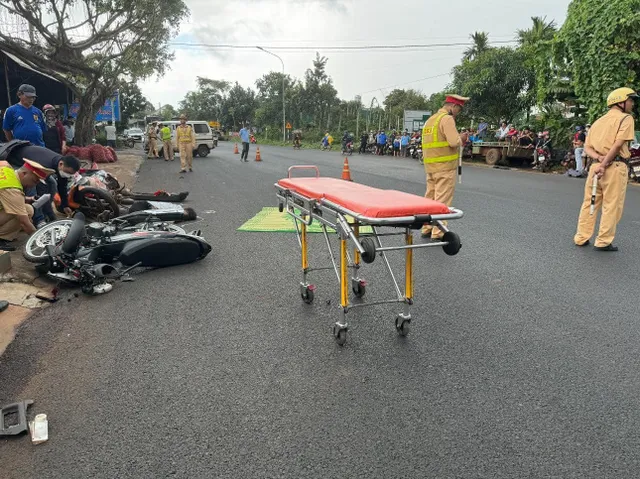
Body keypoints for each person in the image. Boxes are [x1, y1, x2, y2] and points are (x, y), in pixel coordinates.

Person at [573, 87, 638, 252]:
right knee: (612, 204)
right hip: (614, 166)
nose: (632, 103)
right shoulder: (626, 119)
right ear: (621, 101)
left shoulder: (597, 122)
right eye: (630, 100)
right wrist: (605, 164)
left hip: (595, 167)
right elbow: (617, 145)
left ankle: (581, 237)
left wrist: (600, 160)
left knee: (590, 202)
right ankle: (603, 241)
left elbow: (587, 148)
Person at [421, 94, 469, 240]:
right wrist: (462, 138)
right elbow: (454, 142)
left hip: (430, 167)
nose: (457, 113)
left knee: (430, 199)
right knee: (442, 201)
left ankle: (426, 228)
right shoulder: (447, 119)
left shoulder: (431, 120)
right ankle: (439, 232)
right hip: (445, 167)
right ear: (453, 106)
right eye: (458, 110)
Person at [5, 144, 81, 222]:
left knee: (52, 184)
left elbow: (62, 187)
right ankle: (38, 219)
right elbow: (41, 192)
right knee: (33, 188)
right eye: (68, 172)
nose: (68, 175)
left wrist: (65, 205)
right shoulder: (45, 164)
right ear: (61, 164)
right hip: (16, 160)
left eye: (70, 174)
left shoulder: (62, 164)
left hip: (33, 162)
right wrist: (52, 216)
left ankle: (45, 213)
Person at [0, 158, 55, 250]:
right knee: (26, 211)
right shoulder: (12, 188)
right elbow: (24, 223)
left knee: (26, 208)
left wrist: (26, 199)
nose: (34, 185)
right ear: (24, 174)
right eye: (34, 181)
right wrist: (41, 240)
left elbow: (5, 196)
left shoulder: (6, 169)